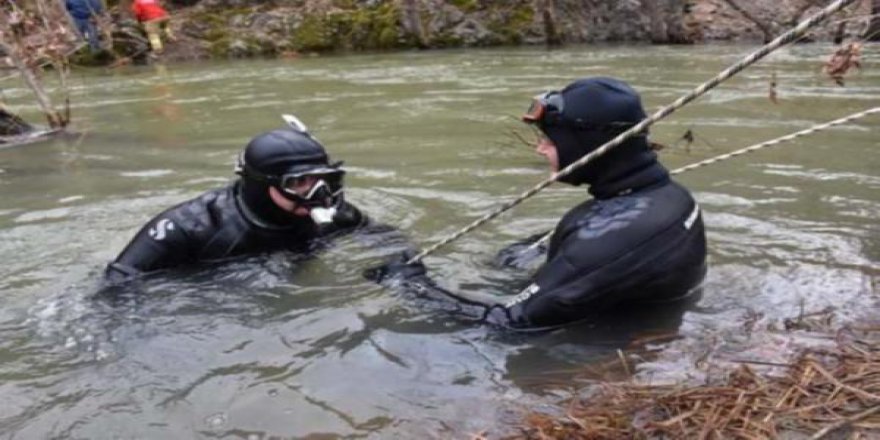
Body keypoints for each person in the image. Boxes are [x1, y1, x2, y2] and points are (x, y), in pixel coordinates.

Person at [370, 77, 707, 331]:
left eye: (549, 139)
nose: (540, 150)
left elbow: (509, 322)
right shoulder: (666, 195)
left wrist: (412, 286)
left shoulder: (612, 237)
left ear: (588, 144)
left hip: (597, 358)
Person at [105, 116, 367, 281]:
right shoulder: (188, 227)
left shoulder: (335, 213)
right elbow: (116, 286)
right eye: (298, 183)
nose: (318, 194)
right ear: (261, 185)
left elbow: (384, 241)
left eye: (325, 180)